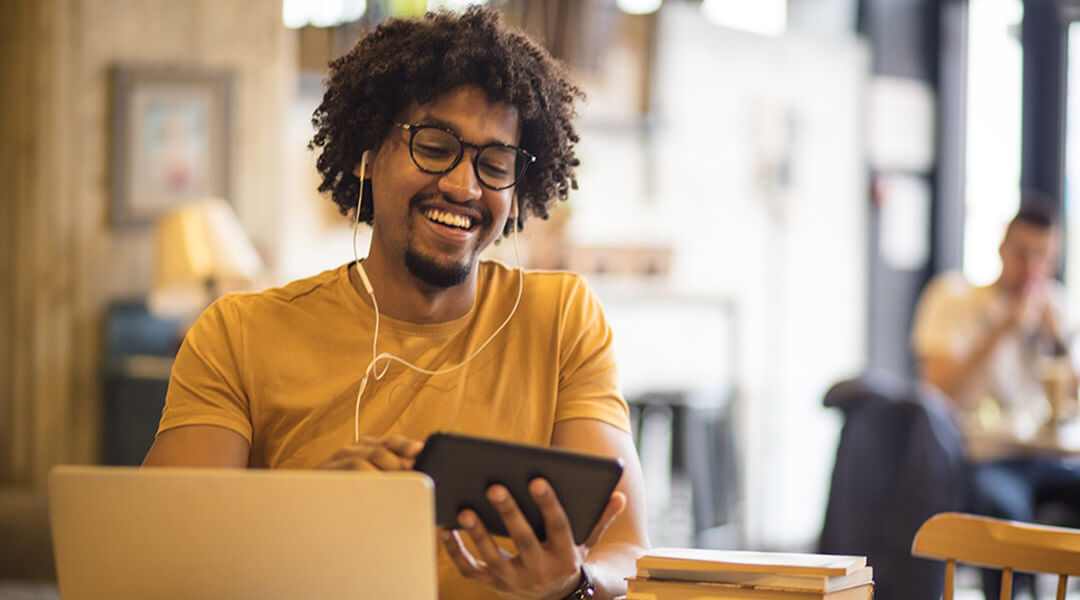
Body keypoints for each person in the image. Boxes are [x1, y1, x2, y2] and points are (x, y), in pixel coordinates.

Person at [142, 7, 649, 600]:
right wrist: (300, 513)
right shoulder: (239, 333)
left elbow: (629, 551)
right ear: (366, 151)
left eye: (495, 163)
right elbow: (159, 559)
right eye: (434, 146)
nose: (464, 186)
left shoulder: (561, 318)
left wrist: (574, 584)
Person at [910, 198, 1080, 599]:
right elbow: (940, 388)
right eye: (1023, 253)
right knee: (1004, 512)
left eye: (1044, 256)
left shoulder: (1060, 309)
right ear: (1003, 248)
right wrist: (1003, 329)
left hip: (1048, 457)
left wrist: (1060, 342)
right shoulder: (955, 298)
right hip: (985, 456)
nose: (1032, 267)